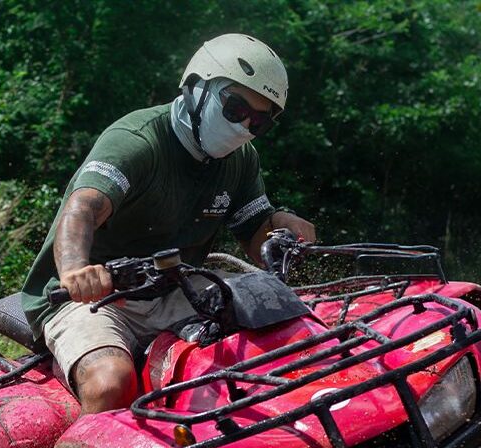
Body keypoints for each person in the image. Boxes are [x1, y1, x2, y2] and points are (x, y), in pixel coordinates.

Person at [20, 33, 316, 414]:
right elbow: (83, 208)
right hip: (94, 298)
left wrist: (281, 226)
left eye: (259, 120)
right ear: (197, 88)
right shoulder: (139, 140)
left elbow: (255, 232)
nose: (244, 125)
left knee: (280, 330)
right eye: (235, 107)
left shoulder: (241, 160)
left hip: (176, 287)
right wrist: (77, 270)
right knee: (111, 382)